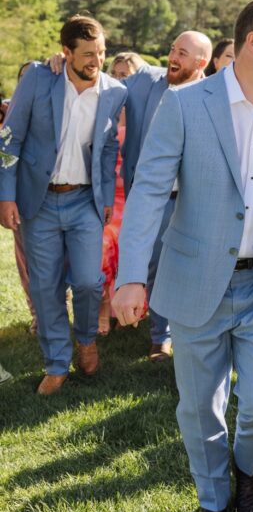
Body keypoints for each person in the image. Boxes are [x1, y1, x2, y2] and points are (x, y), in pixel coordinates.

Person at [112, 0, 253, 512]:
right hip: (195, 280)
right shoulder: (185, 105)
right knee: (199, 408)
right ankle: (213, 497)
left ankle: (248, 470)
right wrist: (132, 274)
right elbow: (150, 191)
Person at [49, 31, 212, 359]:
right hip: (152, 198)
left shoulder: (214, 94)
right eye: (172, 49)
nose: (173, 57)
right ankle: (159, 336)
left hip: (196, 201)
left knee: (190, 269)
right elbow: (99, 79)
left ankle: (191, 336)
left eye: (183, 53)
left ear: (201, 62)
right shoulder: (144, 83)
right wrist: (55, 64)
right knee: (151, 266)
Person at [0, 15, 126, 395]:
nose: (96, 61)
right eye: (88, 54)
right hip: (37, 203)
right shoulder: (39, 78)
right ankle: (56, 363)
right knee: (45, 287)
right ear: (66, 52)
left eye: (101, 53)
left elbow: (108, 149)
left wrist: (104, 195)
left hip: (85, 201)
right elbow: (10, 139)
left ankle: (85, 339)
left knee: (89, 282)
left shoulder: (115, 91)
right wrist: (6, 195)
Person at [98, 51, 144, 334]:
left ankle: (128, 308)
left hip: (133, 196)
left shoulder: (145, 112)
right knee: (102, 247)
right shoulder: (103, 107)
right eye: (114, 74)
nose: (118, 80)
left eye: (124, 74)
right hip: (106, 194)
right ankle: (104, 310)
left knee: (129, 247)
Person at [1, 62, 37, 331]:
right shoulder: (6, 110)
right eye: (23, 78)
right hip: (18, 198)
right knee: (26, 258)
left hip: (52, 195)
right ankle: (38, 313)